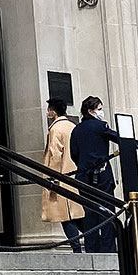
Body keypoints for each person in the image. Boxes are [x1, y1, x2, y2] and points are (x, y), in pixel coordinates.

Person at [69, 96, 119, 252]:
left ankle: (92, 248)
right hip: (102, 175)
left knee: (90, 213)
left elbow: (74, 153)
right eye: (100, 109)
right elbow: (118, 138)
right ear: (91, 111)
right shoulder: (100, 126)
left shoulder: (76, 129)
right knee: (107, 212)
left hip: (83, 176)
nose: (102, 112)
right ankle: (108, 248)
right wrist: (136, 142)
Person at [41, 97, 85, 254]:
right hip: (76, 175)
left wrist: (51, 178)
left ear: (53, 112)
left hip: (61, 176)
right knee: (77, 214)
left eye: (48, 110)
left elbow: (54, 155)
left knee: (65, 216)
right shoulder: (73, 126)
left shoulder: (55, 129)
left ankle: (76, 249)